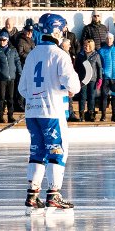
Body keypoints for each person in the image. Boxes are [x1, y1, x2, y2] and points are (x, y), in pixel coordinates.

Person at [22, 13, 82, 210]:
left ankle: (32, 194)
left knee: (37, 151)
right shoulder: (60, 55)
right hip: (51, 112)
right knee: (57, 150)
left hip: (32, 113)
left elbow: (22, 88)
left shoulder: (32, 54)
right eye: (62, 29)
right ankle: (54, 193)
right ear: (56, 30)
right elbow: (73, 84)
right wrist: (66, 88)